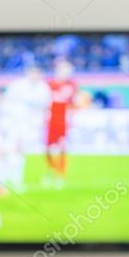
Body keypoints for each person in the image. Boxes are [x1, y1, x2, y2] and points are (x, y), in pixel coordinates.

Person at [45, 59, 79, 187]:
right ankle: (51, 170)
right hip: (50, 119)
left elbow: (74, 102)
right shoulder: (49, 84)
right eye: (64, 70)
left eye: (69, 70)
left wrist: (72, 117)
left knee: (62, 147)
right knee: (47, 148)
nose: (66, 73)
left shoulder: (72, 85)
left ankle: (61, 174)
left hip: (63, 120)